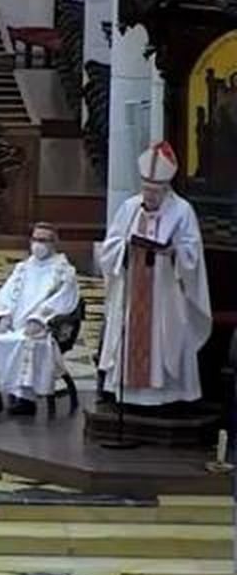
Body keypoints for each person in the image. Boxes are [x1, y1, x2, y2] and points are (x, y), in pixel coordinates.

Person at [95, 142, 212, 407]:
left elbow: (192, 252)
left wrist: (173, 252)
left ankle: (167, 397)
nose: (149, 196)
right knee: (129, 332)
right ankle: (129, 396)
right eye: (146, 189)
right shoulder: (130, 207)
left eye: (154, 191)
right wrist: (125, 248)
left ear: (166, 188)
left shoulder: (182, 211)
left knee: (166, 336)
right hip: (133, 284)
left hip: (166, 289)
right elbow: (110, 244)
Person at [0, 223, 80, 414]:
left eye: (43, 240)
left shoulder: (64, 271)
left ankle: (26, 400)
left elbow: (64, 300)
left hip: (41, 328)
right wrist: (3, 315)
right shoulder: (23, 268)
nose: (37, 244)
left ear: (54, 243)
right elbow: (6, 292)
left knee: (26, 342)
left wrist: (39, 319)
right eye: (35, 239)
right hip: (14, 324)